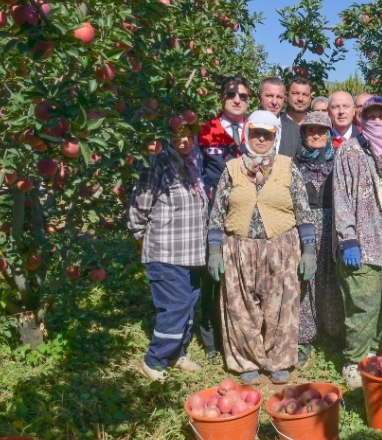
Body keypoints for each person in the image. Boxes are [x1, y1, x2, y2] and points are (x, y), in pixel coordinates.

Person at [207, 110, 316, 385]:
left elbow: (303, 212)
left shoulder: (287, 167)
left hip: (281, 248)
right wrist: (214, 250)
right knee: (241, 307)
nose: (261, 139)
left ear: (275, 137)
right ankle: (248, 359)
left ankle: (278, 359)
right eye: (256, 133)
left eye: (267, 135)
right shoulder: (232, 168)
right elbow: (217, 212)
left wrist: (309, 250)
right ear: (247, 134)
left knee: (281, 307)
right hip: (239, 249)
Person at [333, 96, 382, 390]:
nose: (378, 120)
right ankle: (353, 361)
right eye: (372, 115)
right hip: (364, 244)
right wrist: (348, 237)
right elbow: (341, 195)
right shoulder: (351, 151)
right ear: (361, 118)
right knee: (362, 306)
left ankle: (371, 352)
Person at [128, 126, 207, 382]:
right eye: (176, 134)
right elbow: (139, 207)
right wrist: (142, 240)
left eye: (189, 134)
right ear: (166, 136)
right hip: (166, 251)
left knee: (189, 303)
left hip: (191, 252)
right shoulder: (157, 163)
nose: (184, 140)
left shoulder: (190, 164)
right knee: (175, 307)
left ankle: (176, 353)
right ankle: (154, 360)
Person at [196, 75, 251, 364]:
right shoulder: (206, 129)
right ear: (221, 97)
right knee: (213, 275)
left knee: (242, 275)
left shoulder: (256, 128)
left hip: (246, 214)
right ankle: (211, 338)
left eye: (243, 95)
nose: (237, 99)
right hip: (213, 213)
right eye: (231, 94)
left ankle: (240, 334)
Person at [293, 111, 343, 367]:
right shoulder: (294, 165)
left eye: (321, 131)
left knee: (332, 281)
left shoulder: (339, 163)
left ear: (329, 135)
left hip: (334, 228)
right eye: (311, 130)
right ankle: (305, 337)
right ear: (303, 134)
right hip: (304, 231)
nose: (316, 135)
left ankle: (334, 334)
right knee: (305, 283)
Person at [278, 77, 313, 157]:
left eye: (305, 95)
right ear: (286, 96)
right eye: (295, 93)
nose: (300, 99)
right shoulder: (277, 124)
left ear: (310, 99)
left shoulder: (318, 127)